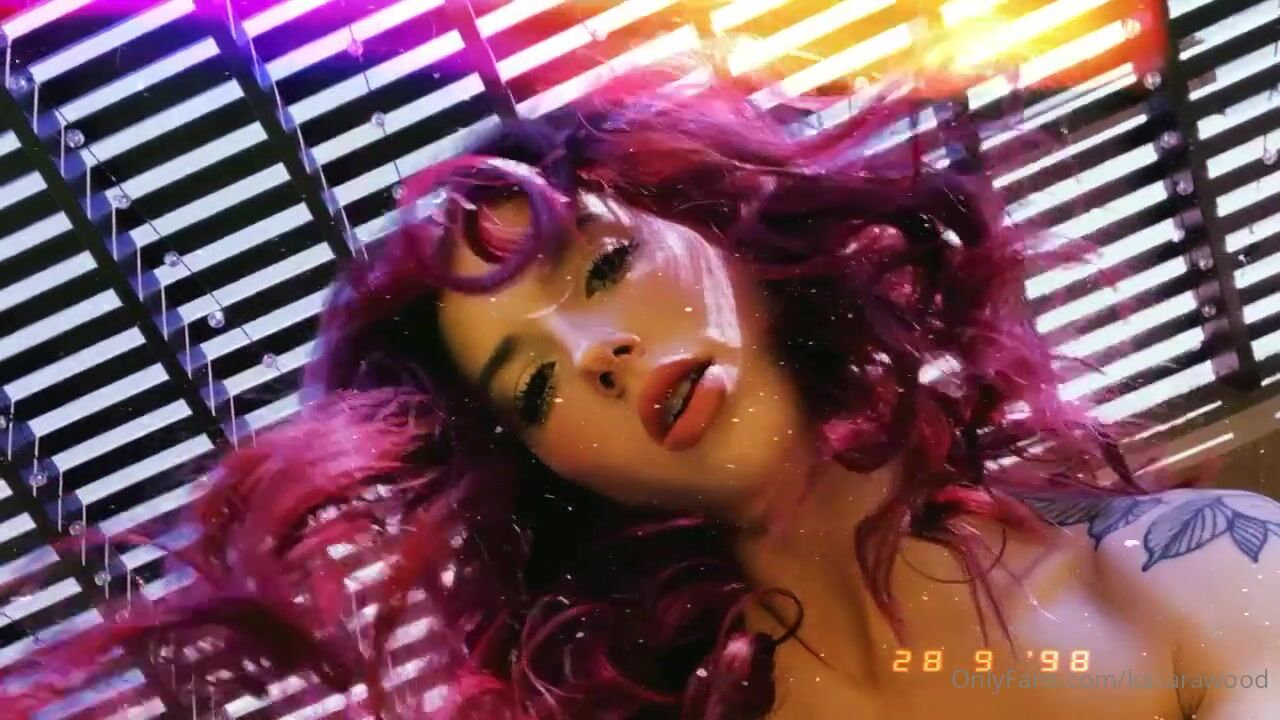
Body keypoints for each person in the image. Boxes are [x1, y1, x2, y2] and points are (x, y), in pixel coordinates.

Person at [6, 68, 1279, 720]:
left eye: (605, 267)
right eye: (532, 384)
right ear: (554, 475)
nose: (598, 354)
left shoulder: (1199, 566)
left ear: (733, 237)